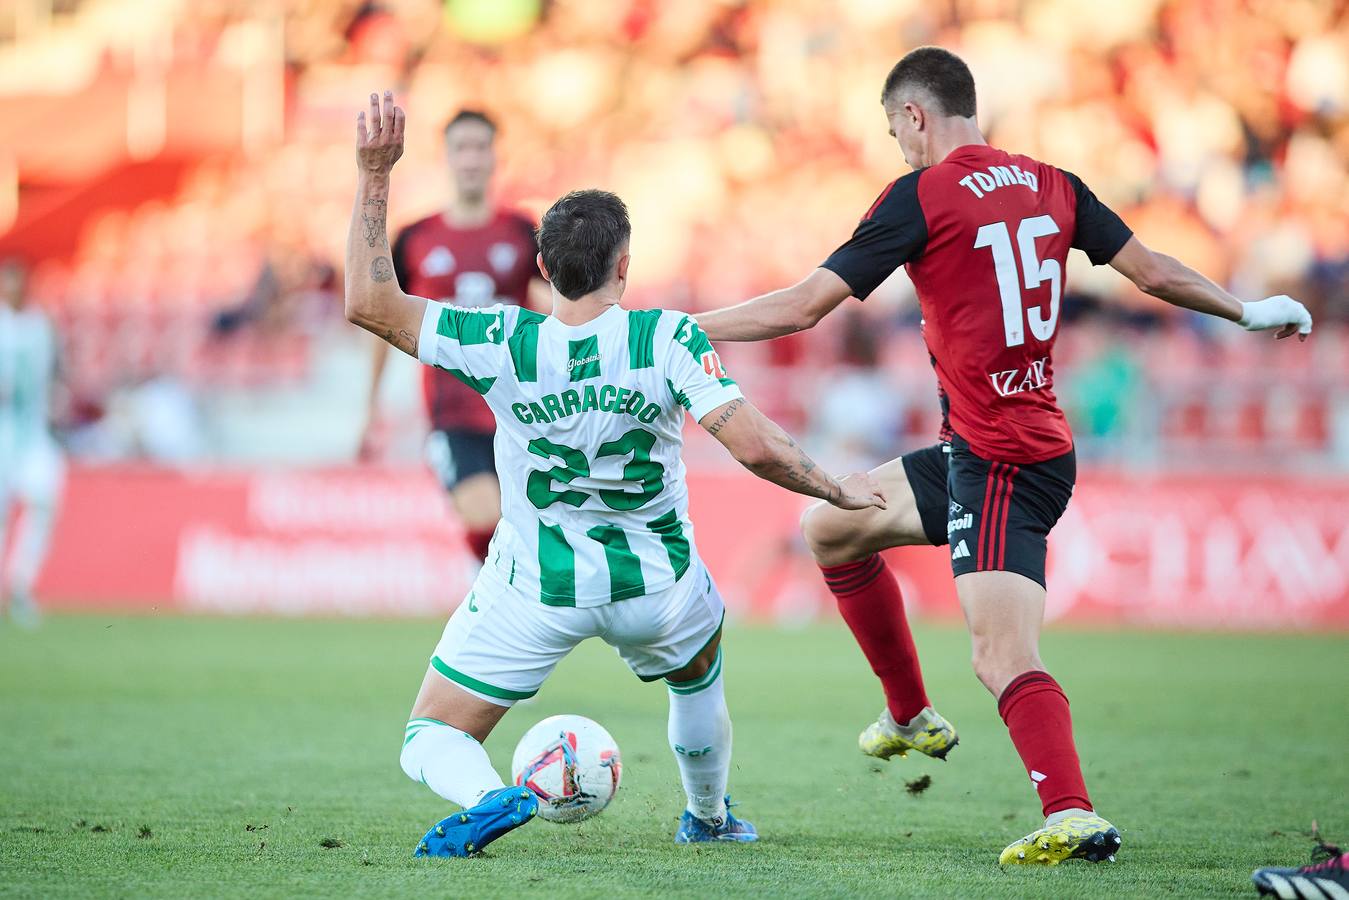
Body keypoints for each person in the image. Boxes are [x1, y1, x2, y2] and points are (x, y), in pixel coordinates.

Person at [696, 46, 1313, 865]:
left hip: (1000, 460)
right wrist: (1244, 309)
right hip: (986, 448)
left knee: (999, 655)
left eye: (894, 131)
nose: (898, 147)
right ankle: (909, 715)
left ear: (916, 115)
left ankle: (1071, 811)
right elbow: (1154, 273)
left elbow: (806, 305)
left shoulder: (921, 195)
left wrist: (683, 327)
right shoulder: (1052, 182)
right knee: (830, 528)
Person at [344, 92, 885, 857]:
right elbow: (755, 447)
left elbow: (369, 302)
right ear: (624, 267)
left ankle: (491, 795)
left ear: (539, 268)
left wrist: (374, 174)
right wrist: (834, 488)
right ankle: (706, 817)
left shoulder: (500, 337)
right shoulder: (663, 337)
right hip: (656, 589)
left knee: (428, 733)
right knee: (697, 677)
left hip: (535, 587)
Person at [360, 109, 548, 564]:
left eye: (480, 147)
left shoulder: (524, 232)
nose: (471, 158)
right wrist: (372, 406)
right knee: (485, 519)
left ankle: (499, 602)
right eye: (461, 147)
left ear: (494, 156)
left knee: (525, 526)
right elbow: (382, 318)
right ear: (446, 156)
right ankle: (495, 594)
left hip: (521, 406)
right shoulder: (416, 238)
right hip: (452, 410)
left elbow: (558, 306)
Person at [0, 259, 66, 628]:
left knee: (44, 501)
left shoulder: (43, 325)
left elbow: (58, 368)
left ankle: (21, 584)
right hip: (2, 434)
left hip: (34, 432)